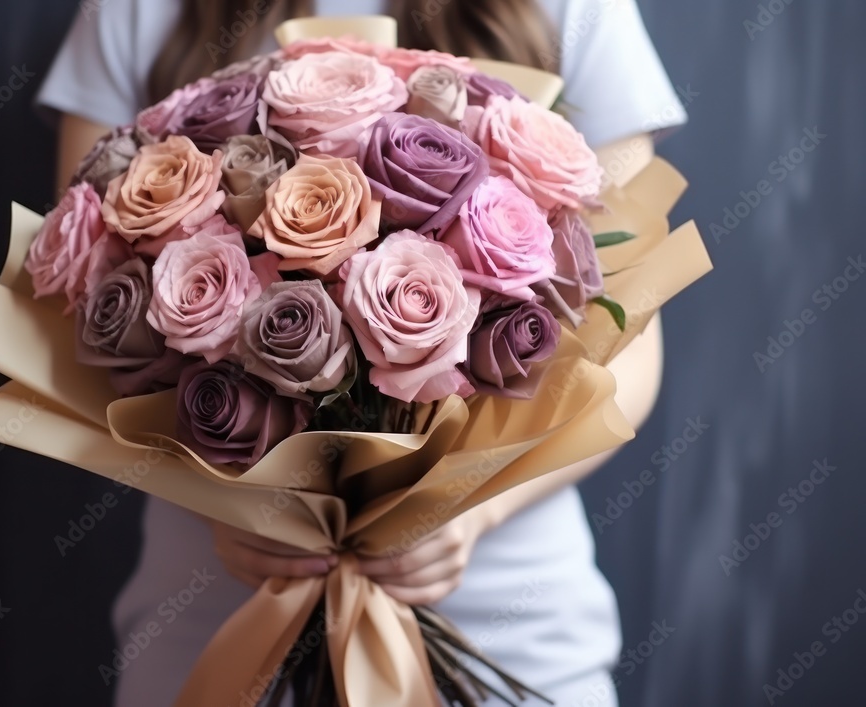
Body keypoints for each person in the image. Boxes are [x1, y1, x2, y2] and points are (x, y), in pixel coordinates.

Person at [36, 1, 686, 704]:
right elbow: (88, 298)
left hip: (505, 612)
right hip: (217, 610)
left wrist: (471, 513)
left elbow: (628, 347)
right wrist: (223, 507)